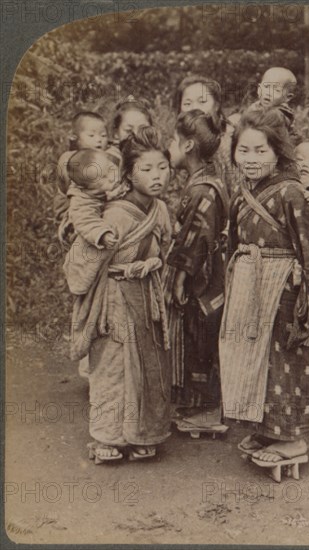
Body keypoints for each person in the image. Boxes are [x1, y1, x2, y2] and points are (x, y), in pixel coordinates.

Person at [219, 109, 309, 480]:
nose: (251, 159)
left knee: (284, 357)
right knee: (255, 357)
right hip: (249, 283)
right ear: (233, 153)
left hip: (284, 288)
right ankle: (266, 428)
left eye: (261, 151)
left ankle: (292, 439)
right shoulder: (243, 191)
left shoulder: (293, 193)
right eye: (244, 151)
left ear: (278, 152)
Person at [64, 126, 173, 463]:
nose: (156, 177)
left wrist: (153, 263)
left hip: (146, 296)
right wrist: (103, 248)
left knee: (150, 366)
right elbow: (80, 264)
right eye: (146, 169)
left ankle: (144, 433)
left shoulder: (161, 210)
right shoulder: (112, 214)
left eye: (162, 168)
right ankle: (108, 436)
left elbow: (167, 247)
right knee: (112, 367)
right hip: (113, 299)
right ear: (128, 173)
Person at [165, 109, 230, 435]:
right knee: (199, 337)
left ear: (188, 145)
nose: (169, 146)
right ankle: (198, 403)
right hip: (209, 274)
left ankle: (206, 411)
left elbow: (196, 241)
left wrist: (178, 278)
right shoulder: (207, 178)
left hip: (202, 279)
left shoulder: (202, 190)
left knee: (200, 337)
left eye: (173, 141)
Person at [54, 112, 122, 247]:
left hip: (101, 203)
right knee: (80, 227)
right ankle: (71, 232)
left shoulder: (109, 154)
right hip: (72, 205)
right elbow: (67, 186)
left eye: (103, 135)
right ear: (74, 137)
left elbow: (116, 165)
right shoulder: (70, 159)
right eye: (91, 135)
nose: (99, 140)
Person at [175, 75, 236, 196]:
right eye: (187, 103)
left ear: (216, 105)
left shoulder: (229, 139)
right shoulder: (181, 140)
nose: (194, 108)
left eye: (202, 101)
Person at [229, 67, 298, 137]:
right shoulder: (256, 105)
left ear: (287, 97)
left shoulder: (281, 114)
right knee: (234, 118)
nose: (268, 93)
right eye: (266, 87)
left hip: (274, 142)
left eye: (276, 90)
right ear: (259, 89)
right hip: (257, 138)